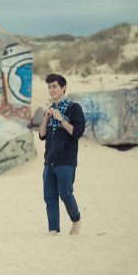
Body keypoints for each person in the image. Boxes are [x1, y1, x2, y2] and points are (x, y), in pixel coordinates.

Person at [39, 74, 85, 235]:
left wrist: (61, 119)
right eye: (49, 87)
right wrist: (46, 117)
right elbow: (42, 135)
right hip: (49, 160)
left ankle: (76, 220)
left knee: (65, 194)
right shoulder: (50, 109)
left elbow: (77, 133)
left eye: (54, 86)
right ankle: (53, 229)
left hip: (66, 160)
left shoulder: (74, 108)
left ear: (63, 87)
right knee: (49, 197)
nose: (51, 90)